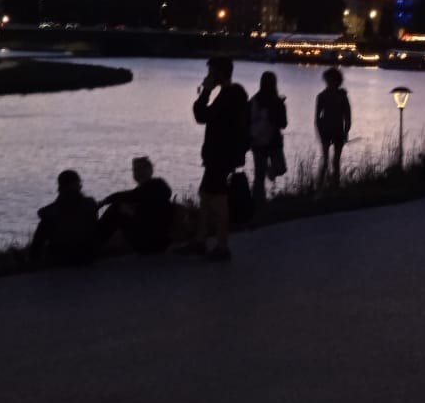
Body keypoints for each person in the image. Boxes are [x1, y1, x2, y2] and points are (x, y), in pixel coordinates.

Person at [186, 56, 248, 261]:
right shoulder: (234, 94)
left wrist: (205, 91)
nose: (208, 76)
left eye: (211, 72)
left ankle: (222, 247)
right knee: (205, 195)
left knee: (219, 200)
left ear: (219, 73)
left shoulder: (229, 95)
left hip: (221, 156)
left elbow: (202, 115)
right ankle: (201, 240)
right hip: (222, 155)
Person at [97, 157, 174, 254]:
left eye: (142, 168)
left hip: (153, 243)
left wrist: (105, 201)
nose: (138, 172)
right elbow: (133, 197)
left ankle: (93, 243)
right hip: (155, 241)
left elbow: (130, 196)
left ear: (150, 170)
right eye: (135, 169)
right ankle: (94, 241)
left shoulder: (157, 188)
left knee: (116, 208)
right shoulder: (147, 189)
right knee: (119, 207)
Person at [28, 170, 98, 266]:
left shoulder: (54, 209)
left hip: (61, 255)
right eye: (79, 183)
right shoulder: (89, 203)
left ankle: (33, 257)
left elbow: (42, 212)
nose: (80, 186)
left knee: (45, 223)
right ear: (73, 185)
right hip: (87, 254)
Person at [248, 71, 289, 202]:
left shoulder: (254, 100)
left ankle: (257, 202)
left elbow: (247, 121)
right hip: (273, 141)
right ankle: (259, 202)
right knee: (280, 168)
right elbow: (283, 124)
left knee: (259, 176)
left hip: (257, 141)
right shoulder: (278, 102)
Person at [314, 67, 351, 184]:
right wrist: (320, 132)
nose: (328, 82)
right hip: (326, 131)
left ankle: (334, 185)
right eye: (327, 80)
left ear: (336, 80)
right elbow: (317, 117)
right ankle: (320, 186)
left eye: (330, 79)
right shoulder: (321, 96)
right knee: (325, 161)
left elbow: (347, 116)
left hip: (338, 131)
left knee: (335, 161)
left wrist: (346, 132)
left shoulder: (342, 96)